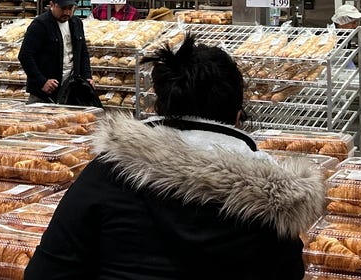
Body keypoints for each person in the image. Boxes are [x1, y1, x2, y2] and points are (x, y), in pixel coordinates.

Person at [24, 37, 325, 280]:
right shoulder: (277, 206)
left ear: (160, 109)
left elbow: (46, 272)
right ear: (236, 118)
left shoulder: (108, 173)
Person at [18, 0, 94, 104]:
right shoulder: (40, 25)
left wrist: (87, 76)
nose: (67, 12)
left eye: (70, 8)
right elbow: (25, 55)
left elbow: (83, 52)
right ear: (52, 5)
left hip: (71, 90)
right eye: (63, 8)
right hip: (45, 94)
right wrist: (42, 81)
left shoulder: (76, 23)